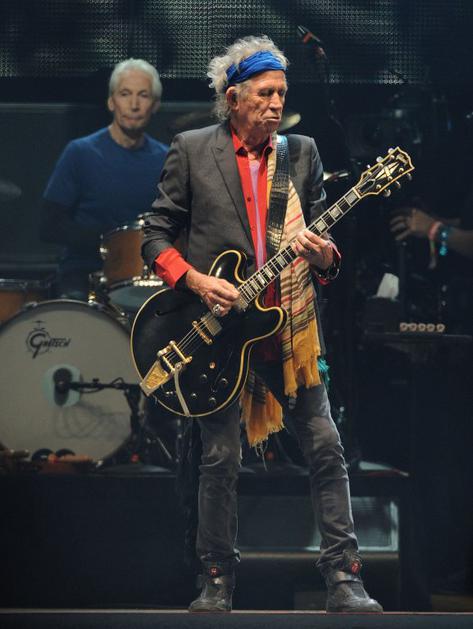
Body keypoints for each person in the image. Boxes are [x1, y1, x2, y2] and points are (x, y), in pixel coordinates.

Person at [142, 35, 382, 614]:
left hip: (287, 329)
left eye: (282, 93)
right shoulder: (192, 149)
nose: (277, 104)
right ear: (234, 98)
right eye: (265, 93)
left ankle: (344, 577)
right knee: (220, 459)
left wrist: (323, 257)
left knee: (326, 448)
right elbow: (154, 234)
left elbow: (326, 250)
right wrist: (196, 281)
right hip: (219, 333)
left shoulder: (302, 153)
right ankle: (216, 579)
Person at [40, 58, 169, 300]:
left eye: (143, 95)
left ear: (155, 105)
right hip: (84, 273)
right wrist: (111, 242)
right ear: (111, 102)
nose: (133, 105)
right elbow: (50, 226)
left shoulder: (166, 158)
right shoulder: (80, 152)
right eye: (125, 94)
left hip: (145, 276)